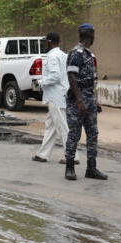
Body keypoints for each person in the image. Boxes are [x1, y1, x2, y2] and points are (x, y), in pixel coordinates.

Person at [64, 23, 107, 181]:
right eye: (93, 35)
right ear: (90, 36)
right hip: (77, 100)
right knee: (74, 134)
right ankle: (69, 168)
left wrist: (93, 102)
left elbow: (90, 81)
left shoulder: (90, 55)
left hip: (88, 99)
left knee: (93, 134)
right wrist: (80, 101)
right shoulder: (77, 53)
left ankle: (91, 168)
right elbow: (72, 77)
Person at [32, 32, 79, 165]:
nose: (45, 44)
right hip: (61, 94)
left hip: (56, 96)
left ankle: (72, 156)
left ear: (50, 42)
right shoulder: (63, 55)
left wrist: (40, 82)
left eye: (45, 42)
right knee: (51, 126)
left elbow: (55, 76)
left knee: (63, 127)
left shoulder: (52, 56)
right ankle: (42, 154)